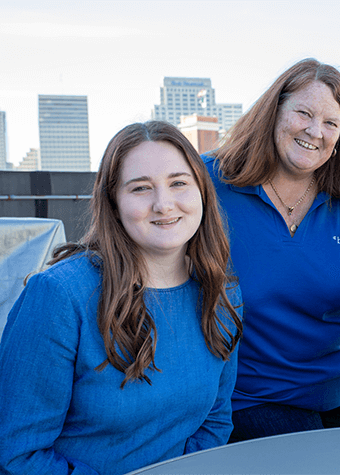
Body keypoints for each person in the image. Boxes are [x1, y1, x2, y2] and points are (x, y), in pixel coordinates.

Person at [0, 121, 243, 474]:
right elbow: (17, 453)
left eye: (178, 183)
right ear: (113, 204)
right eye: (141, 188)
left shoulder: (222, 292)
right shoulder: (59, 297)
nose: (163, 204)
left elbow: (215, 421)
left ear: (202, 193)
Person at [204, 58, 340, 442]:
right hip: (254, 395)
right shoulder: (211, 181)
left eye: (331, 123)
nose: (315, 131)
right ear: (274, 110)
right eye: (304, 113)